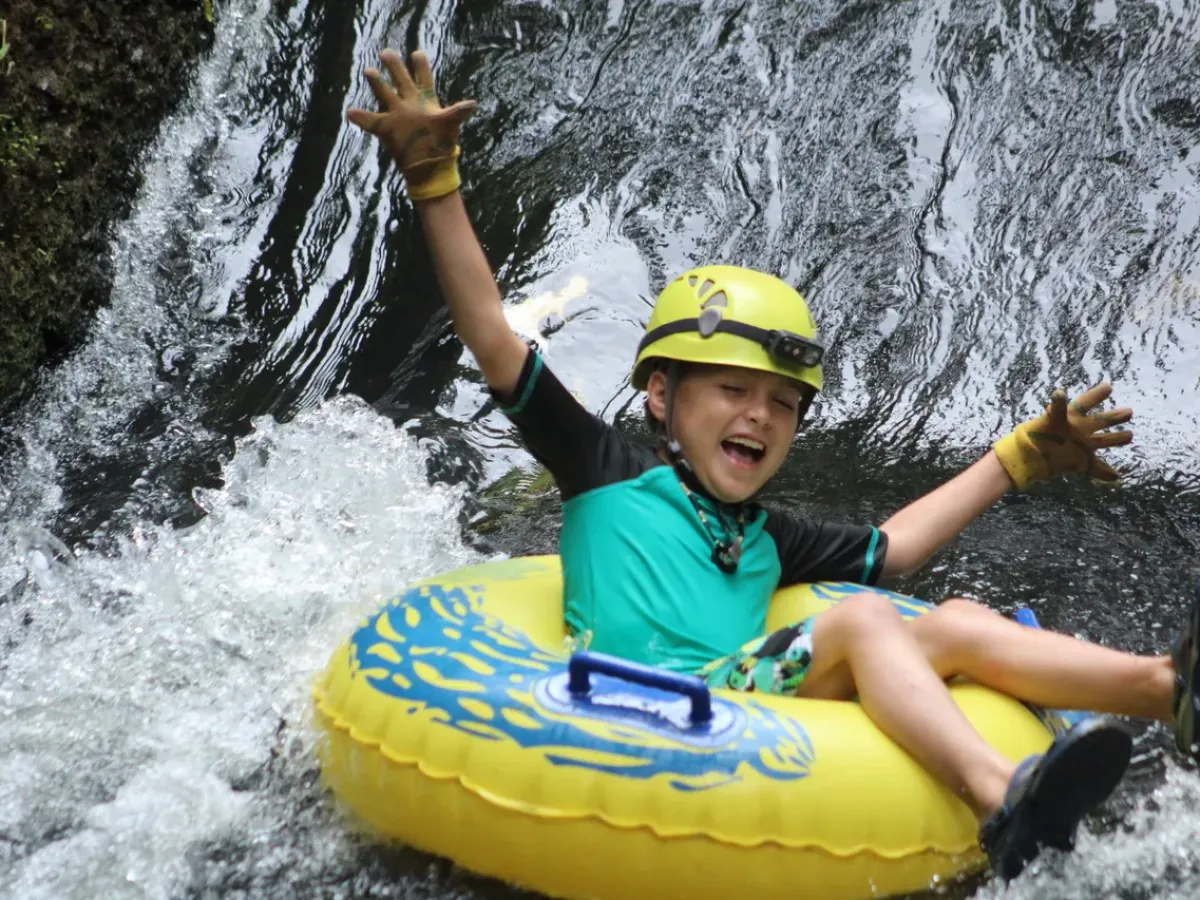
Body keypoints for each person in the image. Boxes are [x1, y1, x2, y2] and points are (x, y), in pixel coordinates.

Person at [347, 47, 1200, 882]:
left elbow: (895, 551)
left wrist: (1015, 457)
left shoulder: (765, 535)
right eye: (730, 390)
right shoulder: (603, 468)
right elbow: (496, 340)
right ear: (660, 398)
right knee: (869, 622)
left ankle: (1168, 687)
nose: (759, 415)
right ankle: (999, 797)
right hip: (646, 712)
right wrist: (434, 180)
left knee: (949, 618)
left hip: (749, 710)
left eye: (784, 405)